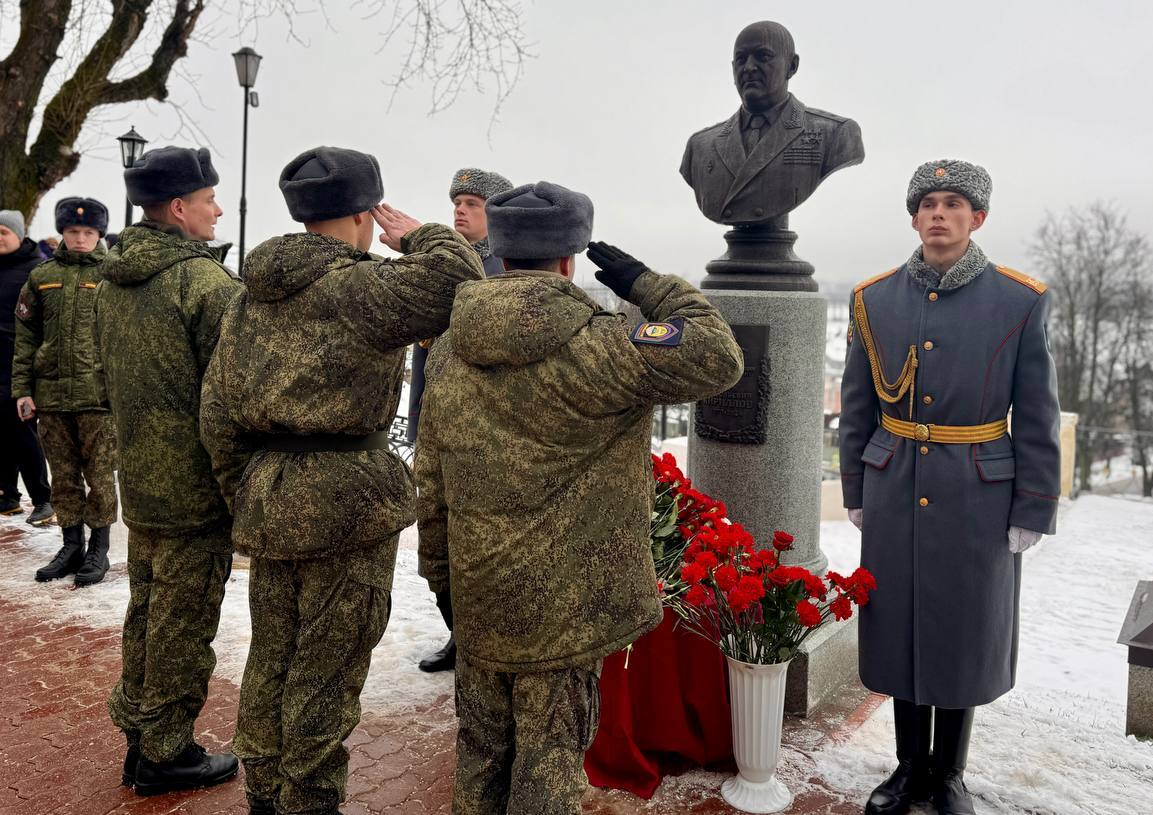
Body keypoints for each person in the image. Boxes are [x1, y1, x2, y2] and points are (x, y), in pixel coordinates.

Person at [415, 180, 744, 814]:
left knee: (481, 755)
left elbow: (430, 478)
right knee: (551, 763)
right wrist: (645, 282)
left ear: (502, 253)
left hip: (480, 588)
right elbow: (718, 355)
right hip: (570, 602)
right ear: (570, 260)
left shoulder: (453, 348)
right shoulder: (607, 346)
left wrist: (443, 577)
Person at [200, 145, 484, 815]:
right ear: (364, 213)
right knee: (327, 667)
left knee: (273, 653)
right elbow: (460, 280)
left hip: (269, 492)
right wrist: (417, 234)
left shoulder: (250, 295)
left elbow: (216, 410)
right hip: (348, 499)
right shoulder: (360, 287)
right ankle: (309, 800)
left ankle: (266, 792)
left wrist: (244, 487)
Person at [839, 159, 1061, 815]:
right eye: (927, 203)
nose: (938, 213)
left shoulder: (1019, 298)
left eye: (952, 204)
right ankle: (907, 767)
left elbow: (1038, 412)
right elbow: (857, 405)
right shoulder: (872, 298)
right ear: (913, 216)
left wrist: (1033, 506)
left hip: (977, 490)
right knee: (900, 626)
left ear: (977, 218)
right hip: (893, 482)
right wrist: (855, 484)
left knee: (961, 631)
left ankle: (948, 773)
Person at [96, 146, 242, 795]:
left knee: (146, 611)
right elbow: (234, 394)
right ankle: (165, 751)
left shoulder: (115, 278)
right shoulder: (202, 283)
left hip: (144, 483)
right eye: (210, 198)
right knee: (183, 622)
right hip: (194, 489)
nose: (217, 209)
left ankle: (139, 734)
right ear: (180, 208)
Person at [412, 166, 513, 674]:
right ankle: (458, 633)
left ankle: (483, 639)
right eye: (456, 201)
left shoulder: (505, 269)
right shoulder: (441, 262)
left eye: (471, 203)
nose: (459, 210)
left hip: (482, 433)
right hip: (437, 425)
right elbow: (424, 350)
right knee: (440, 542)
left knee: (480, 547)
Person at [12, 197, 119, 585]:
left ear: (99, 235)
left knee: (101, 476)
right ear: (62, 233)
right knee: (64, 476)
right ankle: (70, 544)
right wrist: (22, 389)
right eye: (73, 232)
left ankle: (99, 549)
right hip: (52, 396)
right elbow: (26, 338)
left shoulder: (112, 275)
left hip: (98, 397)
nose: (80, 238)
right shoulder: (42, 277)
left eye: (88, 232)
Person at [679, 20, 864, 226]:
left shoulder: (837, 134)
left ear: (792, 66)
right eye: (741, 59)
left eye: (763, 56)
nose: (749, 67)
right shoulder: (699, 146)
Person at [0, 209, 54, 524]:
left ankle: (42, 499)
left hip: (19, 363)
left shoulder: (35, 270)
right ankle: (7, 495)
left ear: (19, 235)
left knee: (21, 430)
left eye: (4, 232)